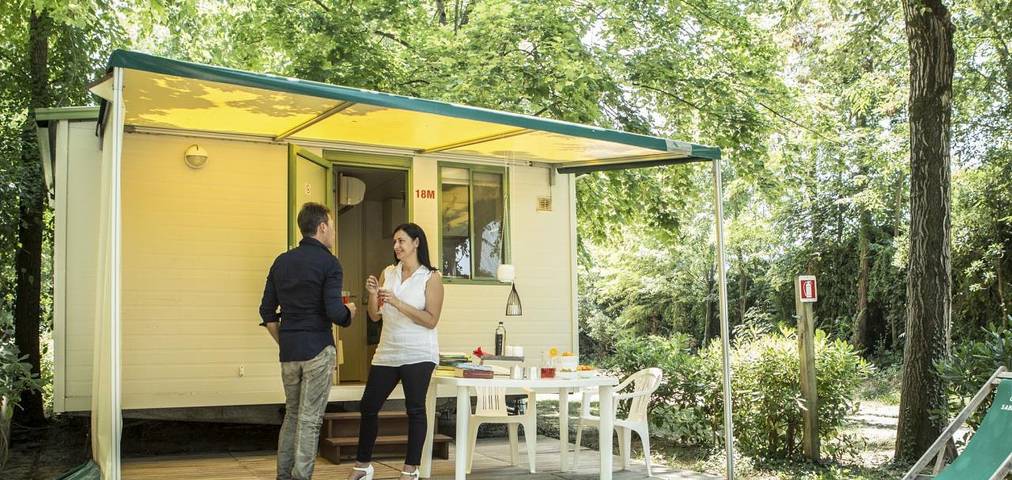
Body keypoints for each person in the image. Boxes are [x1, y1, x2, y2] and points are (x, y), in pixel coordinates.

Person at [259, 202, 357, 480]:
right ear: (322, 227)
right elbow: (334, 313)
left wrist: (285, 341)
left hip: (289, 351)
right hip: (317, 348)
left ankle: (283, 475)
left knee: (292, 415)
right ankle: (301, 476)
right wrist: (349, 312)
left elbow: (267, 313)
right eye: (332, 227)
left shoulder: (282, 261)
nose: (334, 233)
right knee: (310, 420)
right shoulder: (329, 263)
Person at [349, 223, 444, 480]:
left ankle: (410, 470)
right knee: (369, 405)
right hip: (388, 351)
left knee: (414, 408)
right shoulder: (388, 272)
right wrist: (372, 294)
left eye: (401, 241)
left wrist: (398, 303)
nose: (396, 246)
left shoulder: (431, 277)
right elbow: (374, 316)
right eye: (394, 242)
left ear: (416, 243)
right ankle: (363, 467)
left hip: (419, 352)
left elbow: (431, 320)